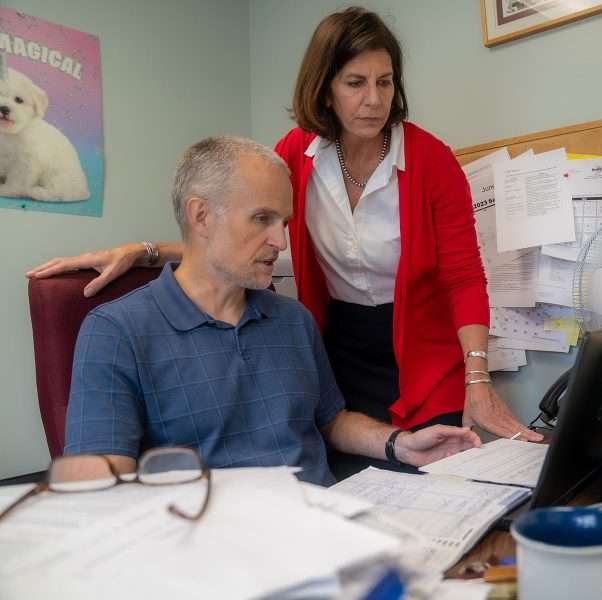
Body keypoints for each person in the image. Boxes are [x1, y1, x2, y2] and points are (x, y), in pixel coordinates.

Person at [28, 7, 541, 479]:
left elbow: (462, 276)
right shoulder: (293, 156)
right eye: (356, 82)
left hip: (421, 352)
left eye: (385, 82)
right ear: (326, 88)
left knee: (423, 479)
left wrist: (471, 385)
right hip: (338, 342)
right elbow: (239, 227)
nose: (374, 99)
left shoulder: (428, 163)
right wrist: (149, 251)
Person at [62, 136, 480, 484]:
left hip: (329, 526)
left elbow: (331, 422)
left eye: (284, 222)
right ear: (201, 216)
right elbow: (100, 485)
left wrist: (401, 444)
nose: (281, 242)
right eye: (261, 219)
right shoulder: (117, 332)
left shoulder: (292, 320)